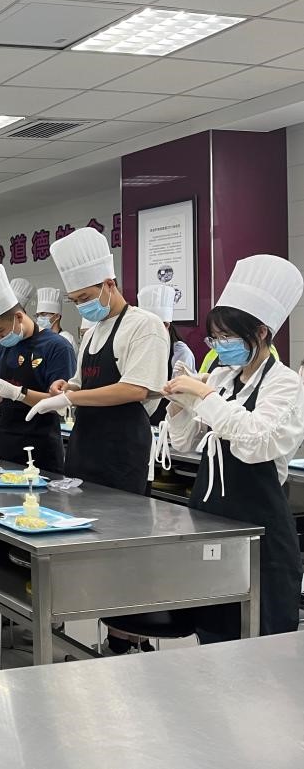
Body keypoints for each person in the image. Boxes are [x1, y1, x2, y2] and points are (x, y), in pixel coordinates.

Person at [162, 254, 304, 643]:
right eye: (215, 338)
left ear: (260, 332)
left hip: (260, 530)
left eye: (227, 337)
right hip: (210, 518)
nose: (220, 346)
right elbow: (184, 443)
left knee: (261, 638)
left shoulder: (285, 384)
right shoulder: (222, 378)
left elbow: (256, 442)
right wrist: (179, 405)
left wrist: (204, 396)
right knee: (213, 629)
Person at [27, 228, 169, 495]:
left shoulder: (145, 325)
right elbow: (81, 383)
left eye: (85, 298)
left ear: (109, 285)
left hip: (122, 450)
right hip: (84, 444)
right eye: (75, 301)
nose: (81, 306)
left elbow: (135, 389)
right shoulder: (93, 332)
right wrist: (66, 387)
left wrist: (70, 398)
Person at [0, 265, 76, 471]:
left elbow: (61, 405)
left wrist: (18, 393)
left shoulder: (57, 347)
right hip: (4, 443)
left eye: (0, 331)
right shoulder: (6, 346)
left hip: (40, 449)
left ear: (19, 317)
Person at [139, 284, 197, 425]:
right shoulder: (138, 347)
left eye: (162, 324)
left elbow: (182, 396)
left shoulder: (180, 353)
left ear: (167, 325)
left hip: (169, 423)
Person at [35, 287, 76, 351]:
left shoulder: (65, 338)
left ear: (57, 316)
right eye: (37, 315)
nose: (39, 318)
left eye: (43, 314)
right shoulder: (40, 339)